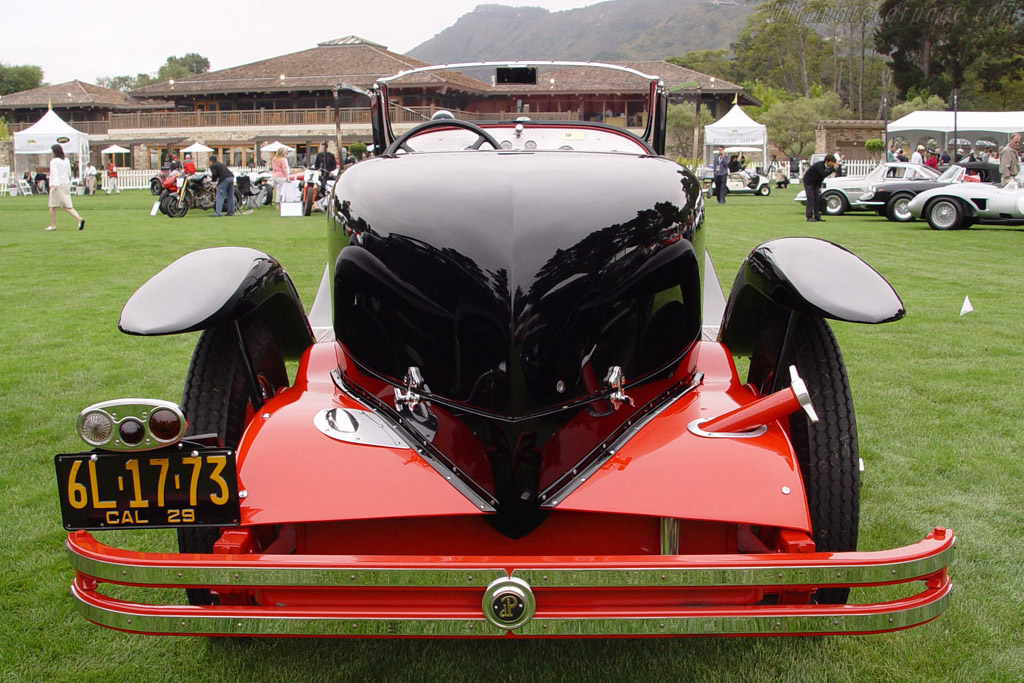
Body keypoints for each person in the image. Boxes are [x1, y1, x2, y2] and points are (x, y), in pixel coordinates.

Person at [45, 144, 85, 231]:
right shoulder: (66, 160)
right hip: (65, 183)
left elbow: (54, 173)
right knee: (66, 204)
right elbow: (69, 172)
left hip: (57, 184)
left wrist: (55, 184)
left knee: (52, 206)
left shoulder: (54, 161)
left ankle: (53, 225)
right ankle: (78, 218)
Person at [801, 153, 837, 222]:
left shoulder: (826, 167)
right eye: (832, 162)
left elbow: (820, 177)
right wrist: (833, 169)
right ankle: (809, 216)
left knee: (817, 199)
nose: (832, 164)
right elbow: (823, 174)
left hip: (816, 183)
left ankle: (817, 216)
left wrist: (820, 187)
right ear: (827, 161)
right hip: (808, 182)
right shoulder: (819, 165)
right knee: (811, 198)